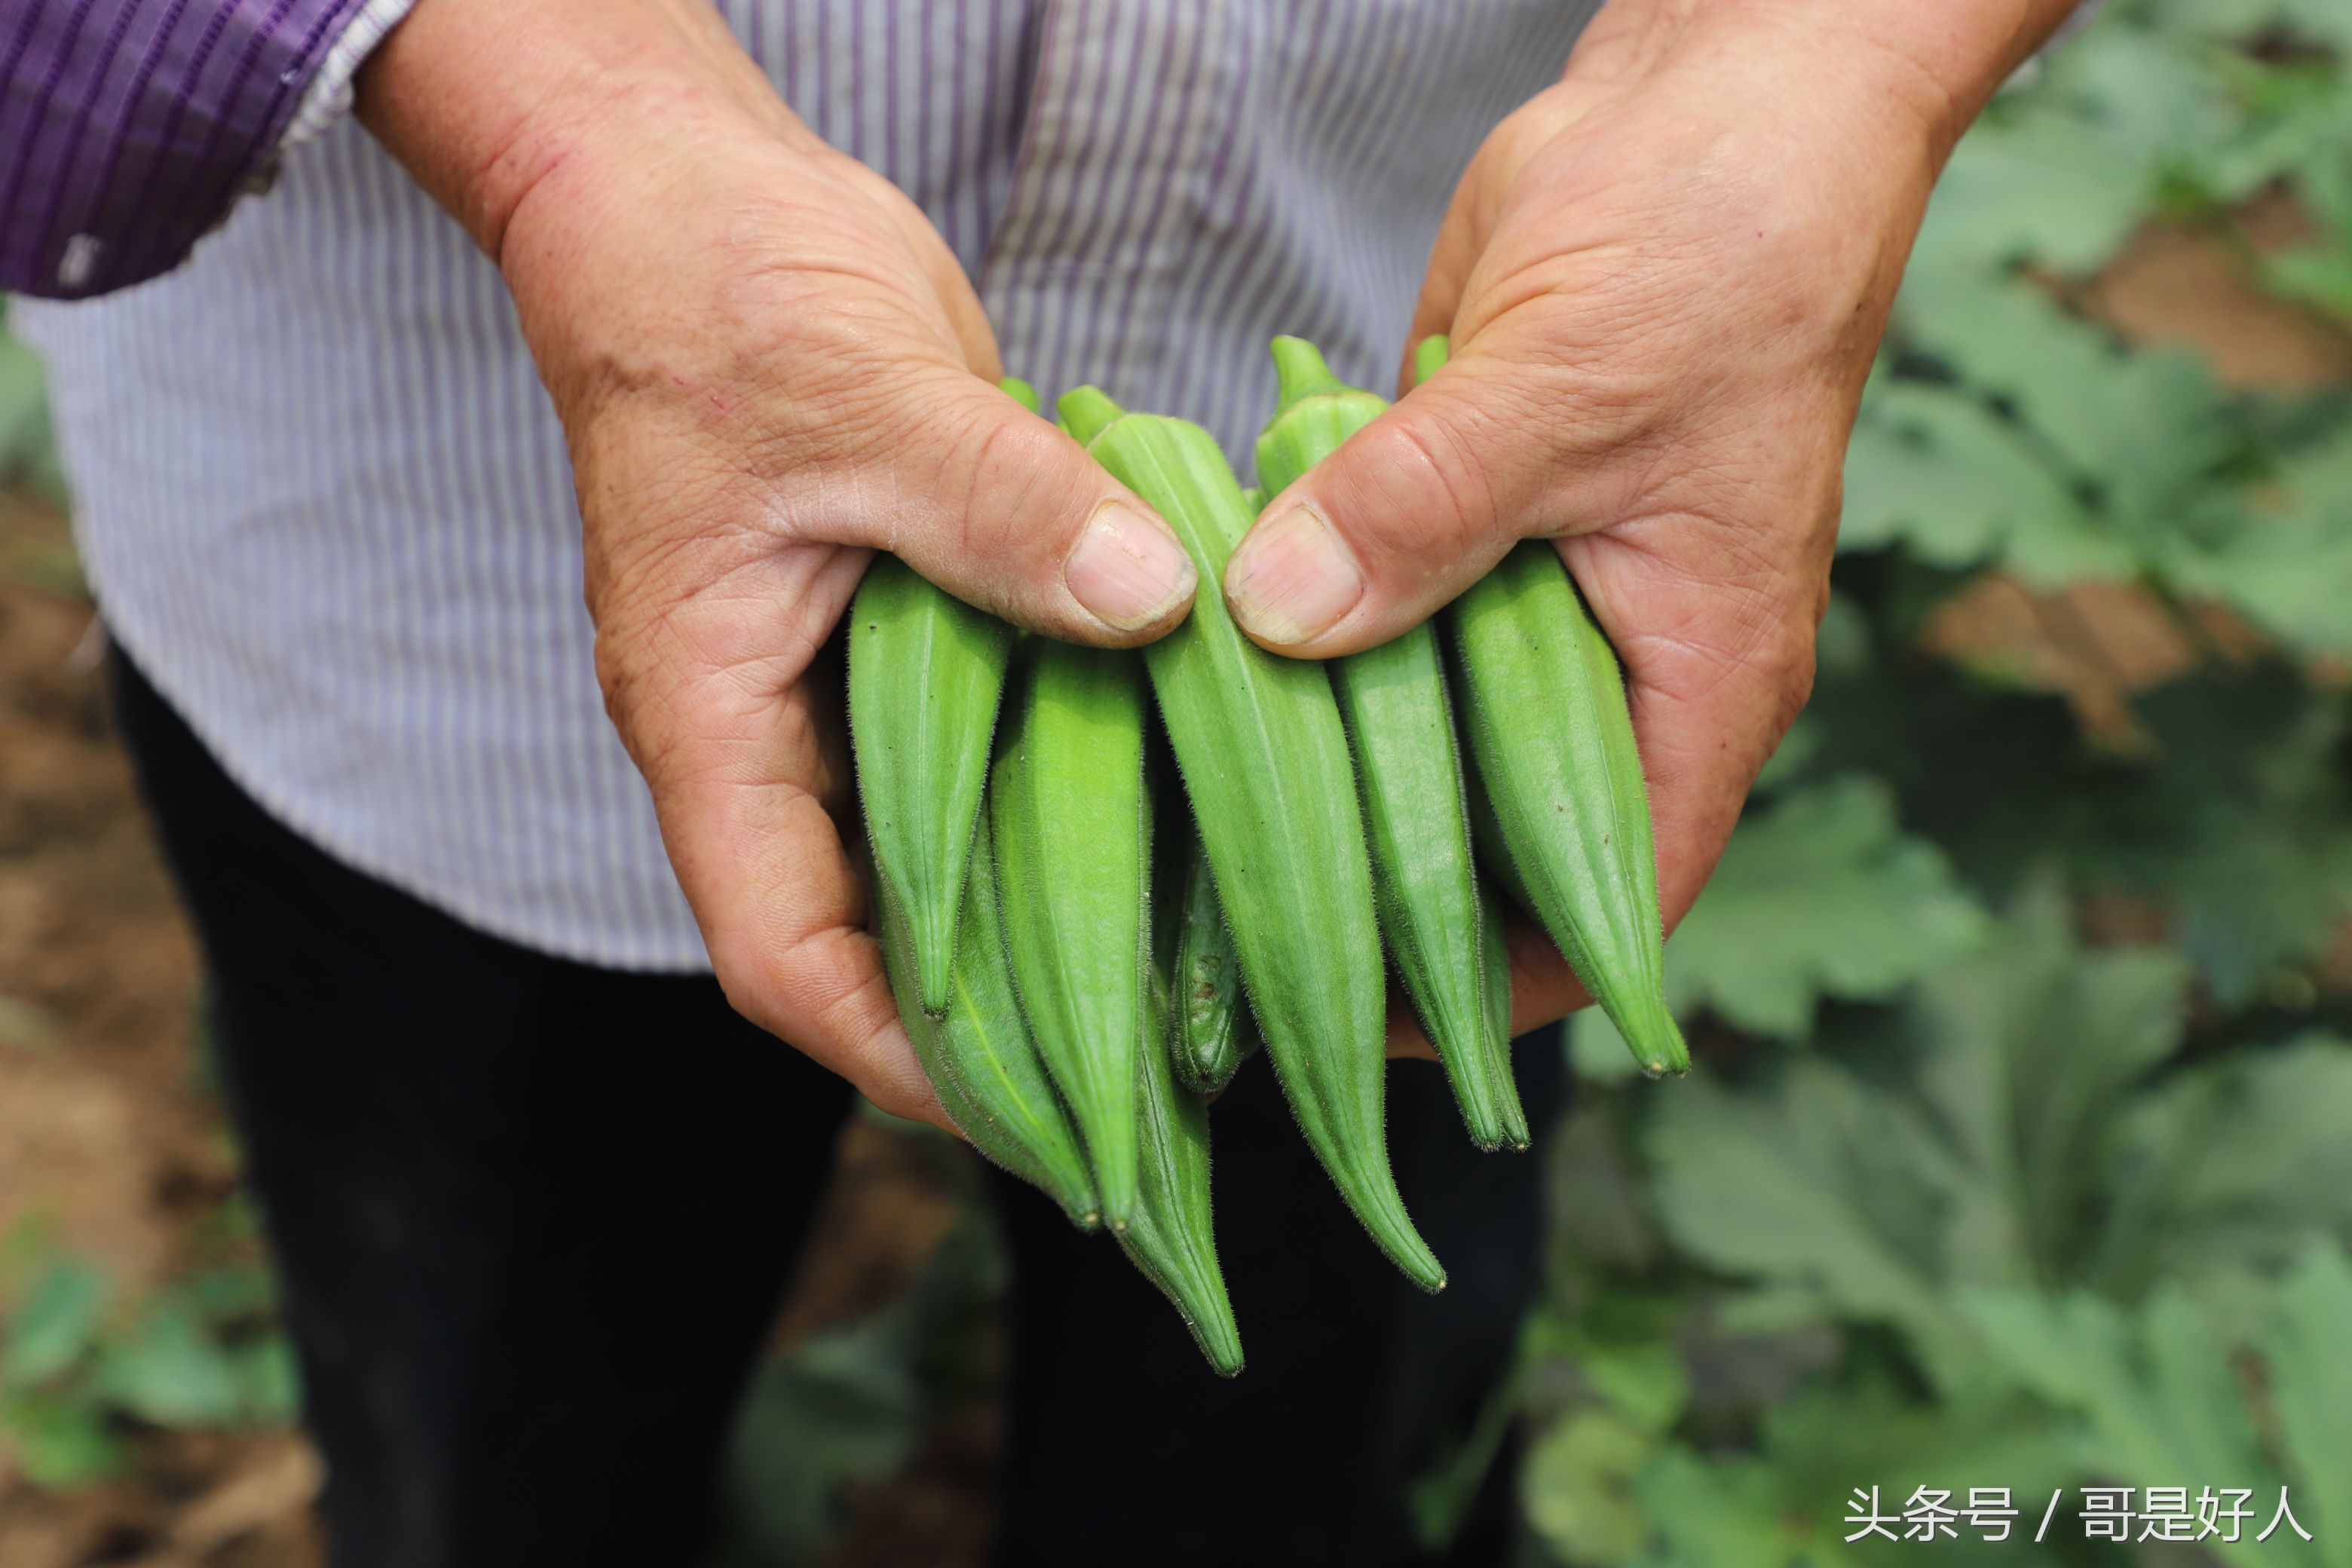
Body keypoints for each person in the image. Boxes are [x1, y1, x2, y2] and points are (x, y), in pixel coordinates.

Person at [4, 1, 2079, 1563]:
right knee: (505, 1433)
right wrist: (559, 131)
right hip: (461, 520)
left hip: (1447, 504)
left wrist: (1821, 62)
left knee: (1294, 1438)